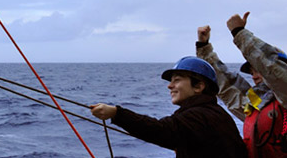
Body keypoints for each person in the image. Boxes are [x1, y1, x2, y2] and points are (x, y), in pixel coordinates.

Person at [90, 56, 247, 158]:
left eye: (177, 80)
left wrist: (117, 113)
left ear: (199, 86)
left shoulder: (199, 116)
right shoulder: (212, 113)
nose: (170, 86)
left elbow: (161, 130)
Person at [196, 12, 287, 157]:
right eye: (251, 72)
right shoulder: (257, 104)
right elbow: (228, 88)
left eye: (258, 70)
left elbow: (272, 69)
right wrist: (204, 48)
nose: (254, 76)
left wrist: (239, 33)